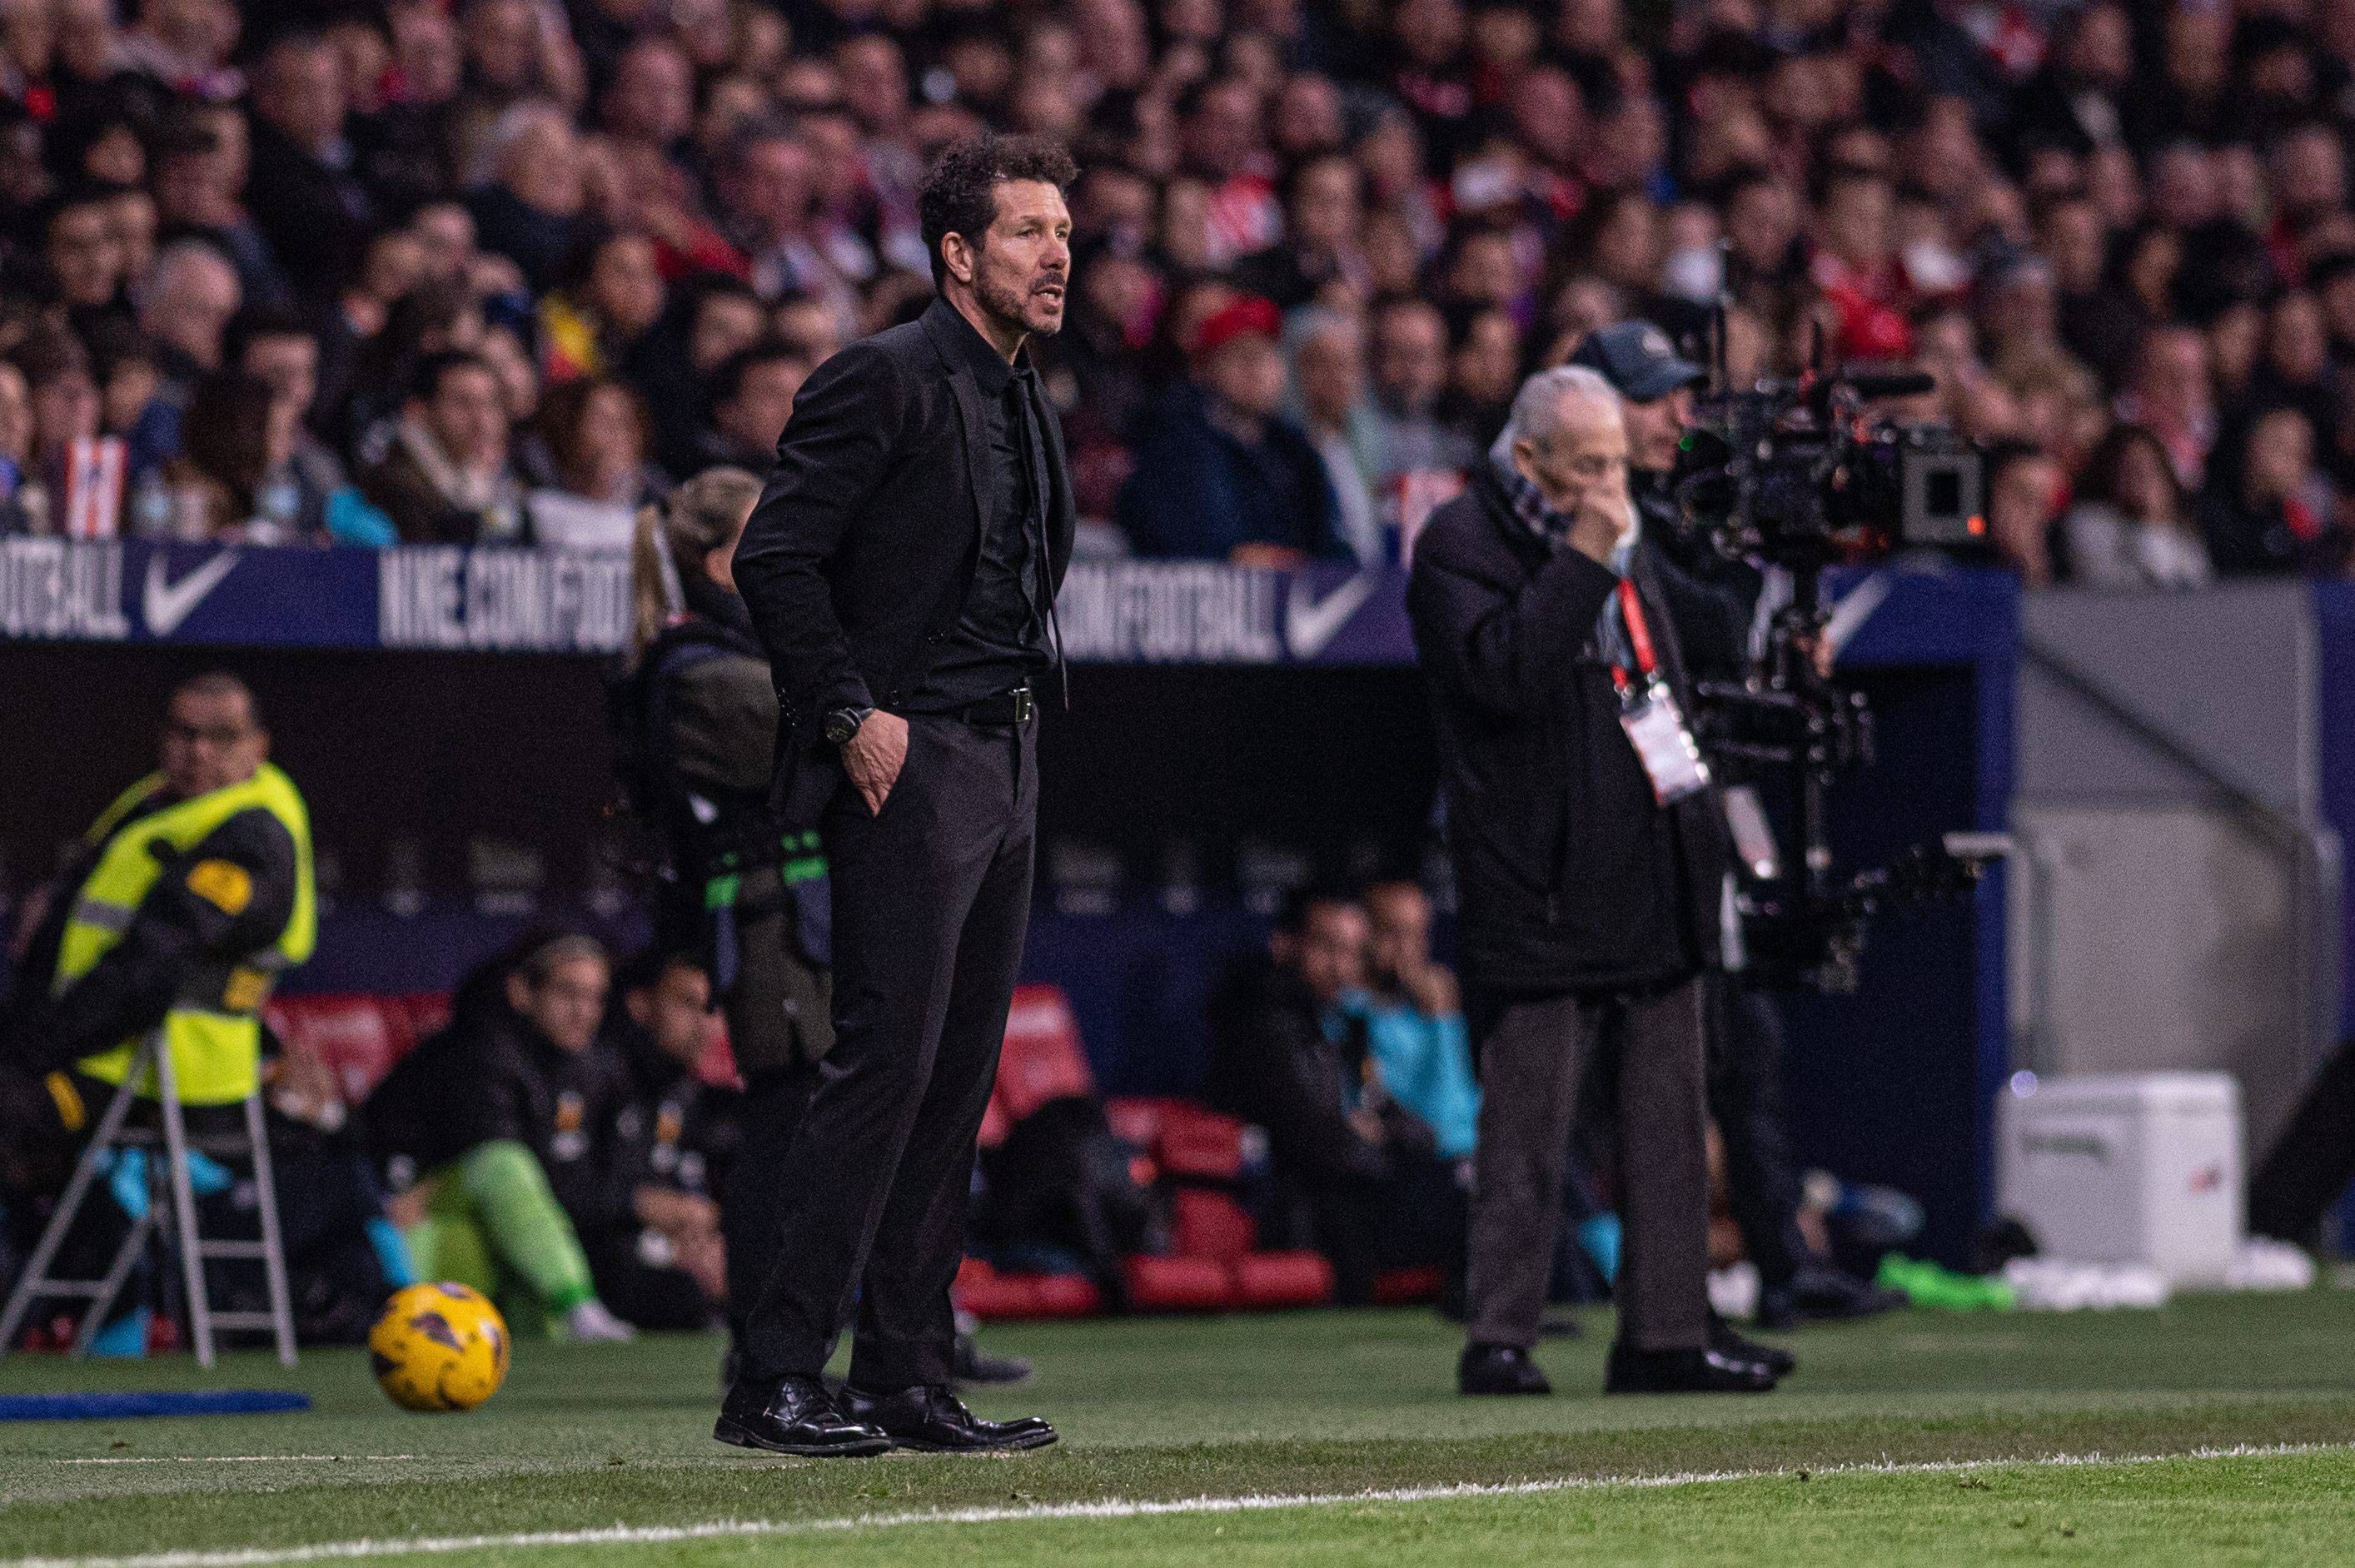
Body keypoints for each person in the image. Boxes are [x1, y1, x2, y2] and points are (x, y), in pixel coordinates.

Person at [724, 132, 1074, 1459]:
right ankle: (773, 1373)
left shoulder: (1026, 392)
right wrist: (850, 711)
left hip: (1010, 756)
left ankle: (907, 1376)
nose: (1057, 254)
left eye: (1064, 231)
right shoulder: (881, 377)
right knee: (885, 1066)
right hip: (912, 759)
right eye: (1029, 231)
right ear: (959, 253)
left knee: (955, 1080)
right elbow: (777, 556)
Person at [1407, 366, 1781, 1397]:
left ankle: (1665, 1330)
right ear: (1527, 462)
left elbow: (1658, 673)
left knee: (1668, 1116)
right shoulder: (1458, 543)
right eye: (1588, 466)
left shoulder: (1617, 529)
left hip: (1652, 858)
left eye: (1616, 461)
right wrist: (1580, 555)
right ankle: (1499, 1337)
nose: (1612, 485)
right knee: (1528, 1123)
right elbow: (1504, 674)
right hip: (1541, 880)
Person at [0, 673, 315, 1348]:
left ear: (258, 745)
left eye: (221, 737)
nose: (198, 751)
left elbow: (149, 967)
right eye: (183, 732)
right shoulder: (157, 800)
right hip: (98, 1052)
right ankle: (99, 1314)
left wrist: (33, 1049)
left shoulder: (254, 835)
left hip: (157, 1073)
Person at [362, 930, 638, 1343]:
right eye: (568, 993)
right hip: (410, 1223)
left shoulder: (591, 1065)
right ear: (520, 991)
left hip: (483, 1230)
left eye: (595, 997)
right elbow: (493, 1165)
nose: (583, 1011)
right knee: (502, 1163)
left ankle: (570, 1316)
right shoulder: (476, 1052)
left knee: (538, 1322)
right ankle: (580, 1303)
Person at [1117, 292, 1345, 565]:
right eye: (1241, 356)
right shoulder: (1175, 447)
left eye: (1267, 354)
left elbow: (1333, 548)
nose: (1257, 369)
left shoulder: (1297, 450)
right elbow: (1196, 550)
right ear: (1204, 369)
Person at [585, 948, 736, 1331]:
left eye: (711, 1008)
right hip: (589, 1258)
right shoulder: (594, 1075)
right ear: (640, 1004)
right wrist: (639, 1203)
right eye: (688, 1004)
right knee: (679, 1292)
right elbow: (551, 1181)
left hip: (658, 1254)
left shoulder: (687, 1092)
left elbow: (691, 1191)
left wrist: (708, 1236)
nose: (705, 1024)